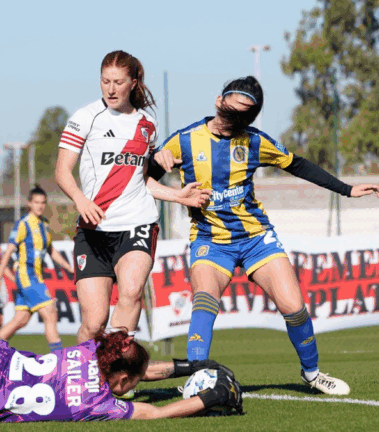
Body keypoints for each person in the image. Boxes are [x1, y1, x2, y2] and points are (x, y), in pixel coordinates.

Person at [150, 76, 379, 396]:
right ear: (219, 101)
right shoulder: (184, 140)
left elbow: (297, 165)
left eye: (247, 115)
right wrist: (154, 164)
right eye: (235, 112)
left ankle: (312, 373)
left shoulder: (255, 141)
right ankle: (197, 377)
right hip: (210, 240)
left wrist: (347, 189)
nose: (239, 121)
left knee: (294, 306)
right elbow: (144, 179)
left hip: (256, 238)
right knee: (205, 298)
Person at [54, 50, 210, 346]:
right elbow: (62, 171)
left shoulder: (148, 124)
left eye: (118, 82)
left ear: (133, 83)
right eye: (105, 81)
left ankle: (117, 372)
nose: (111, 89)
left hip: (137, 223)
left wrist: (178, 196)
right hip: (93, 229)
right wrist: (80, 200)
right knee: (94, 323)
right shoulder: (85, 118)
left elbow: (141, 181)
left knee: (131, 290)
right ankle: (81, 381)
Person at [0, 328, 242, 422]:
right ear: (123, 379)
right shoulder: (97, 404)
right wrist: (213, 396)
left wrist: (192, 367)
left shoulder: (90, 350)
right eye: (133, 381)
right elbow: (157, 413)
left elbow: (133, 366)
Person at [0, 186, 74, 352]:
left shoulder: (45, 224)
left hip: (36, 277)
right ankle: (59, 361)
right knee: (50, 313)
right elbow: (9, 251)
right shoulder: (23, 224)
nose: (40, 206)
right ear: (29, 203)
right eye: (36, 202)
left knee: (20, 320)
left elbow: (50, 250)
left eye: (43, 203)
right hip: (27, 276)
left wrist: (68, 266)